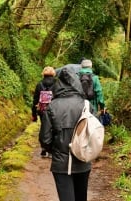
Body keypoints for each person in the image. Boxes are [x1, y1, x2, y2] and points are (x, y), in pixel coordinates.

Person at [39, 67, 92, 201]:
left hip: (60, 163)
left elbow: (45, 139)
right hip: (83, 160)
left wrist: (55, 150)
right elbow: (94, 132)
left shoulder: (52, 106)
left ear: (59, 84)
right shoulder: (86, 105)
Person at [31, 66, 56, 158]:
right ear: (53, 74)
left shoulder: (39, 84)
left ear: (43, 74)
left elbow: (35, 100)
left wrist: (34, 114)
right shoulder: (57, 84)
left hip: (42, 110)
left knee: (44, 127)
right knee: (54, 128)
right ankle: (51, 151)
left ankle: (43, 149)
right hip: (54, 110)